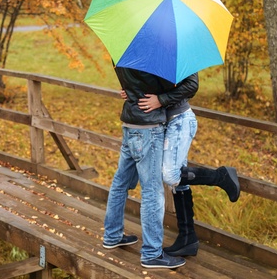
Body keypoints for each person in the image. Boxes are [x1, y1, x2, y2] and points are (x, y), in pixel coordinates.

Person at [136, 73, 240, 257]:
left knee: (171, 175)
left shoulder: (176, 51)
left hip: (180, 121)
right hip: (165, 124)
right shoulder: (152, 57)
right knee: (178, 183)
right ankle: (187, 238)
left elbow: (192, 86)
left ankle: (221, 176)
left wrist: (161, 100)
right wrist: (130, 91)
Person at [103, 67, 190, 269]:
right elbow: (174, 87)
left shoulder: (123, 49)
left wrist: (130, 91)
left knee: (120, 183)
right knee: (152, 191)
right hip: (148, 128)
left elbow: (132, 84)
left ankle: (112, 235)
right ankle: (151, 253)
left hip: (130, 124)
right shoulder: (153, 55)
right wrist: (161, 98)